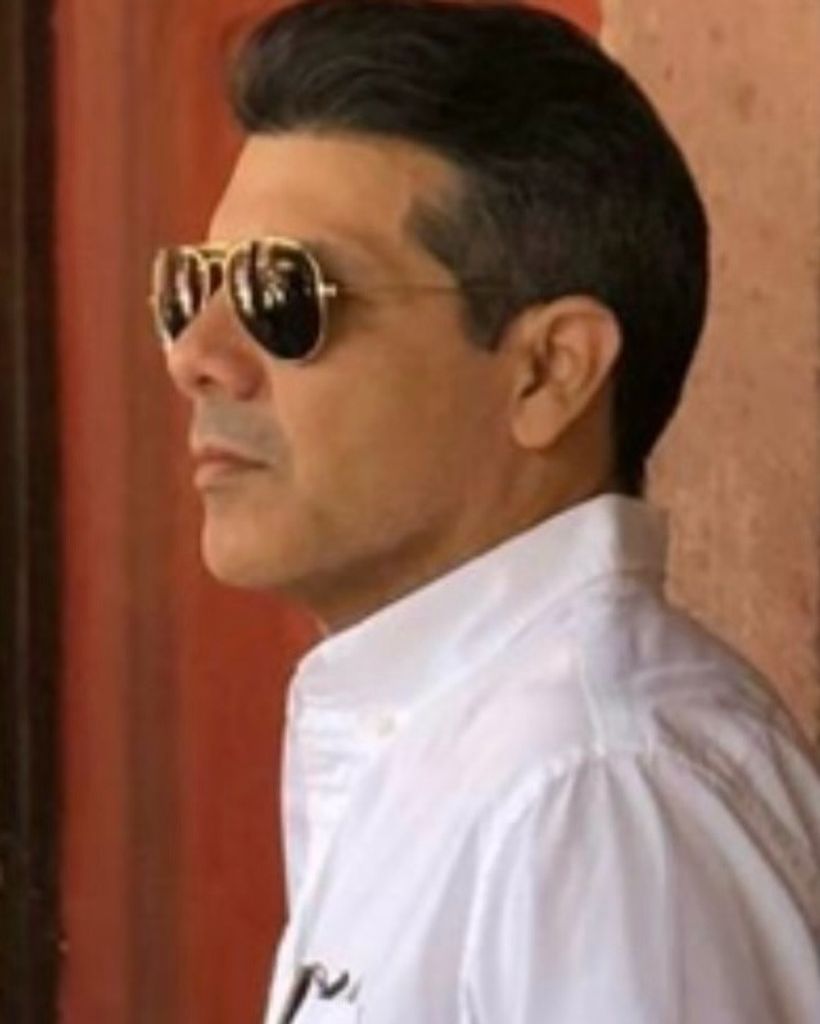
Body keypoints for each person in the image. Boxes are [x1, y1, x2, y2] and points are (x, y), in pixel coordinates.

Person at [152, 1, 820, 1020]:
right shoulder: (481, 750)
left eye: (283, 296)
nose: (196, 357)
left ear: (549, 370)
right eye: (188, 289)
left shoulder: (591, 794)